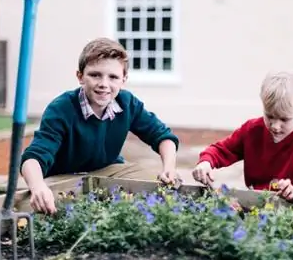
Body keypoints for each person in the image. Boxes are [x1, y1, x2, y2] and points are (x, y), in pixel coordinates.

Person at [20, 38, 180, 214]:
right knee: (31, 206)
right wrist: (38, 187)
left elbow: (163, 137)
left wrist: (169, 169)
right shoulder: (61, 108)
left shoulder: (128, 103)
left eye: (113, 77)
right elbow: (33, 157)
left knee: (157, 190)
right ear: (80, 76)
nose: (104, 84)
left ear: (123, 80)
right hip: (65, 175)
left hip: (109, 169)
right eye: (95, 75)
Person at [192, 71, 293, 202]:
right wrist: (206, 162)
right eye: (269, 116)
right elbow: (222, 150)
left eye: (284, 119)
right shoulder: (252, 130)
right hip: (256, 204)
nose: (275, 126)